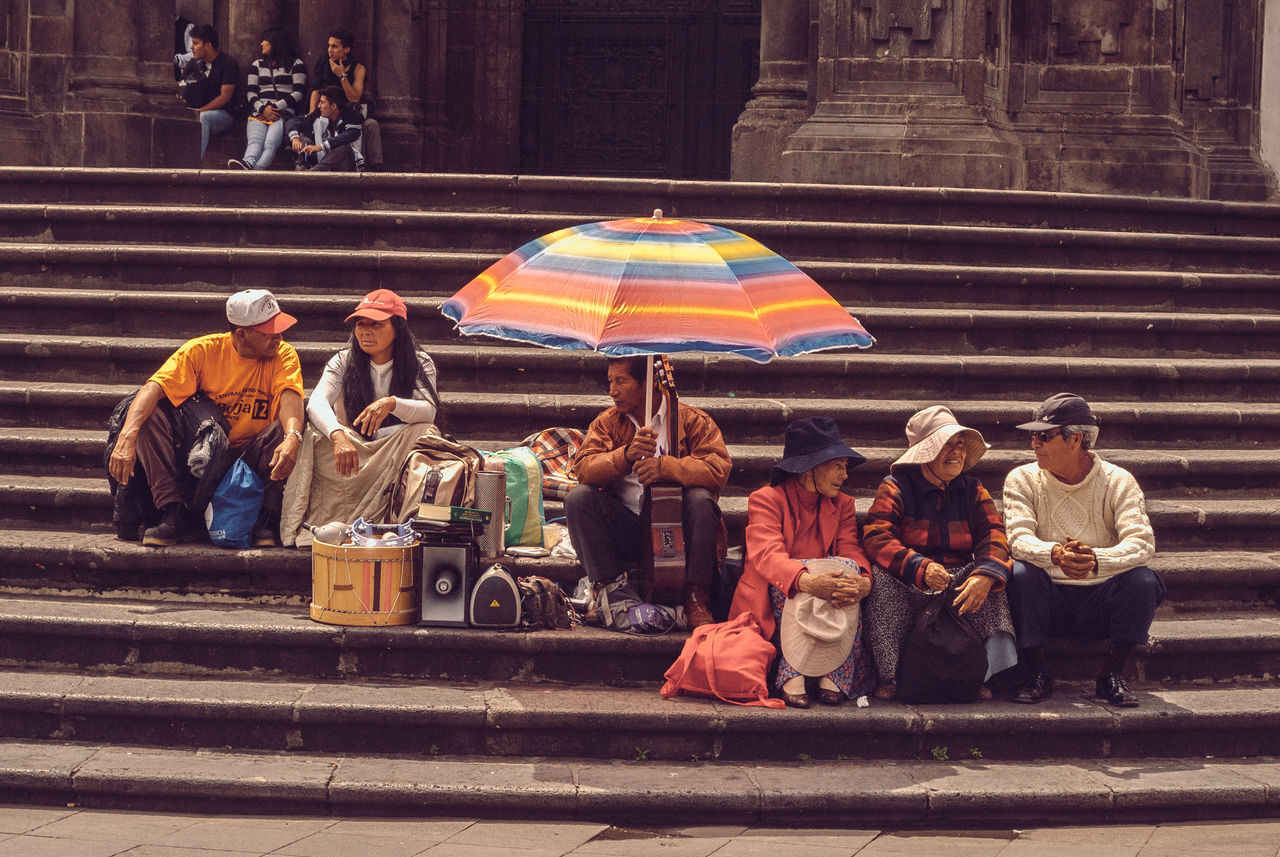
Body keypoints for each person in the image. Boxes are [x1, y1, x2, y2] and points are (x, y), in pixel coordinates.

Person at [106, 290, 304, 548]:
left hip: (252, 459)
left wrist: (292, 436)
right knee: (147, 416)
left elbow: (290, 396)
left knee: (289, 428)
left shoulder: (283, 353)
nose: (278, 336)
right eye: (269, 330)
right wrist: (126, 438)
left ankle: (265, 517)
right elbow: (152, 389)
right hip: (203, 457)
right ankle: (172, 510)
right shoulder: (202, 351)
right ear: (242, 334)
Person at [1002, 393, 1162, 707]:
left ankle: (1113, 674)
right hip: (1048, 599)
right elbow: (1018, 540)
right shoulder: (1021, 479)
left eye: (1044, 437)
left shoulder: (1119, 481)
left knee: (1143, 580)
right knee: (1019, 573)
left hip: (1100, 599)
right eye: (1033, 436)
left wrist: (1095, 559)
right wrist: (1056, 555)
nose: (1034, 444)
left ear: (1075, 439)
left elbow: (1142, 544)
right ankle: (1035, 671)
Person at [860, 405, 1016, 701]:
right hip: (910, 580)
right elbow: (877, 537)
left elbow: (994, 535)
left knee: (993, 578)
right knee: (880, 581)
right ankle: (890, 675)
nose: (956, 452)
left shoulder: (973, 489)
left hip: (957, 579)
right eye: (946, 445)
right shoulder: (896, 486)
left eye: (959, 444)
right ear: (924, 452)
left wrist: (984, 575)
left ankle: (981, 675)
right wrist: (919, 568)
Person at [565, 356, 731, 628]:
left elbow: (718, 469)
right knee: (579, 498)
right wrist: (625, 456)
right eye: (610, 381)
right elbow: (584, 468)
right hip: (627, 525)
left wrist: (668, 467)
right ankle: (609, 590)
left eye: (621, 381)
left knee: (701, 500)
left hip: (677, 528)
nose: (612, 391)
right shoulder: (607, 422)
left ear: (650, 384)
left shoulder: (693, 421)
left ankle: (696, 596)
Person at [728, 417, 874, 708]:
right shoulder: (766, 499)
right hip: (777, 597)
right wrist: (807, 580)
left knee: (848, 570)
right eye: (838, 466)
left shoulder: (843, 504)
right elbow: (767, 555)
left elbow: (851, 549)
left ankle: (834, 672)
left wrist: (863, 582)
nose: (845, 475)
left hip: (828, 600)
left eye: (845, 466)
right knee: (803, 575)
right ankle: (791, 671)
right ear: (811, 467)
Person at [280, 290, 441, 547]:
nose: (366, 332)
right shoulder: (343, 360)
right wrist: (337, 434)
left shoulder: (420, 362)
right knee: (314, 434)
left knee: (426, 433)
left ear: (397, 328)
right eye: (361, 324)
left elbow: (428, 410)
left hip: (395, 448)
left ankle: (406, 522)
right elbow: (317, 402)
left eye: (376, 324)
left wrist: (391, 404)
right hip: (354, 448)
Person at [297, 29, 384, 170]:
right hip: (328, 112)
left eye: (335, 46)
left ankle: (376, 168)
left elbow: (354, 97)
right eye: (329, 45)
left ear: (347, 49)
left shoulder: (358, 68)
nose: (330, 50)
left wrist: (341, 76)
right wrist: (313, 112)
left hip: (351, 114)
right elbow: (315, 89)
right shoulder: (323, 63)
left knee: (371, 124)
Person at [228, 29, 307, 170]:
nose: (262, 43)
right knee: (254, 141)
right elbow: (251, 92)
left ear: (276, 43)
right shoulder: (257, 65)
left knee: (270, 143)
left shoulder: (296, 64)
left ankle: (250, 173)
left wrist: (275, 106)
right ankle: (248, 163)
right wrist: (263, 108)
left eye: (265, 40)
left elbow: (298, 93)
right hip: (260, 110)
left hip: (282, 112)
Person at [177, 25, 239, 161]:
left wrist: (199, 111)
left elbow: (225, 97)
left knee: (204, 118)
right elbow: (180, 85)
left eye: (195, 43)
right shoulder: (193, 63)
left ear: (208, 45)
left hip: (222, 114)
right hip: (194, 110)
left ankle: (193, 164)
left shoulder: (228, 64)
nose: (191, 48)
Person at [285, 86, 362, 171]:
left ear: (333, 106)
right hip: (325, 162)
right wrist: (295, 138)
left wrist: (321, 147)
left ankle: (314, 173)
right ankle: (302, 168)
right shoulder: (318, 115)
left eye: (322, 102)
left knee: (343, 147)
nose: (318, 106)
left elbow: (349, 135)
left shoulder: (352, 115)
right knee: (304, 140)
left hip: (348, 166)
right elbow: (294, 121)